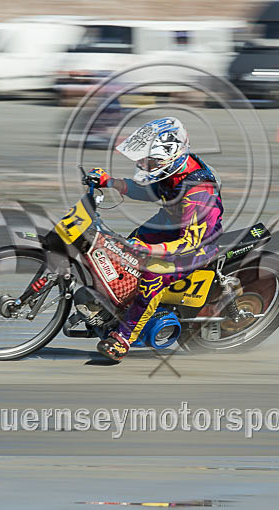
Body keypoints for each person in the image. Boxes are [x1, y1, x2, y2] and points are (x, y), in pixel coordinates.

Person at [83, 117, 223, 362]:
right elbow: (150, 191)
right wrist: (110, 182)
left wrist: (150, 249)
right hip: (169, 226)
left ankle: (123, 339)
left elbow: (188, 243)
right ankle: (117, 305)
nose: (142, 164)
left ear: (167, 157)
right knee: (120, 251)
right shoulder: (175, 168)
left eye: (148, 161)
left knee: (152, 276)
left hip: (196, 245)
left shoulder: (199, 191)